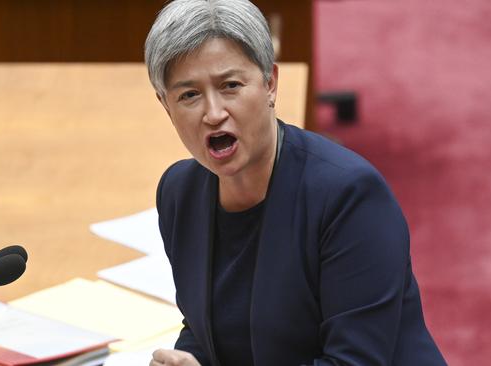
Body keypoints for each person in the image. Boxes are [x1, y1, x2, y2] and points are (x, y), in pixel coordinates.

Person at [145, 1, 446, 365]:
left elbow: (352, 362)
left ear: (270, 84)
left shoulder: (349, 197)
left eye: (230, 86)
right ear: (165, 106)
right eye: (189, 95)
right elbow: (208, 325)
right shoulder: (180, 194)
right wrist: (186, 358)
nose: (213, 113)